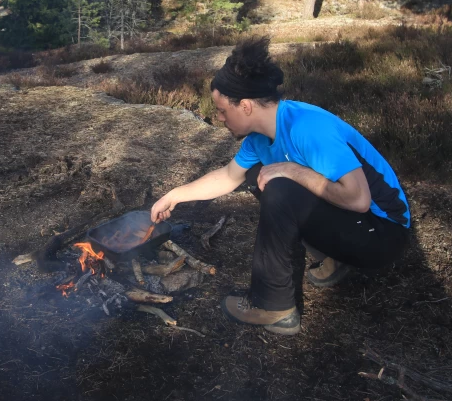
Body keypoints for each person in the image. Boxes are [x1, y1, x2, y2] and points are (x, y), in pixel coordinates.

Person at [150, 38, 410, 335]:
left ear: (245, 106)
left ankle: (273, 305)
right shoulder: (258, 138)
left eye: (222, 110)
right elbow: (229, 176)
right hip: (356, 225)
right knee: (257, 175)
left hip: (383, 235)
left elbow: (359, 198)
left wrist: (290, 169)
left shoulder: (307, 128)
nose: (219, 118)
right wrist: (175, 195)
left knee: (280, 187)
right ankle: (333, 259)